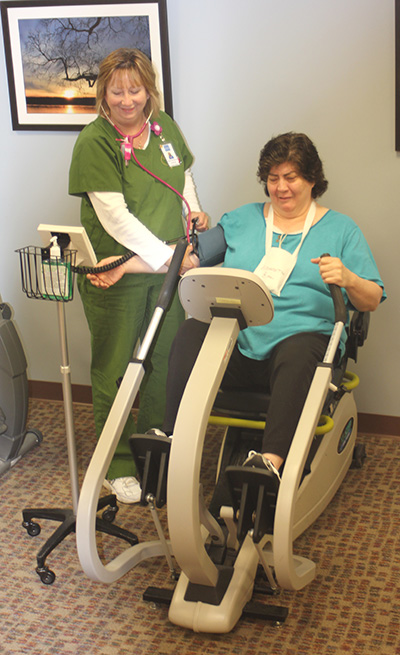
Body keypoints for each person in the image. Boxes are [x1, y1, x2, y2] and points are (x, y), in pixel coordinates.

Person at [88, 132, 386, 490]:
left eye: (291, 177)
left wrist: (349, 278)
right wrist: (123, 265)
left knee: (299, 349)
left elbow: (371, 299)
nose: (281, 187)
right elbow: (186, 259)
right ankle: (169, 438)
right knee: (193, 329)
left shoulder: (341, 229)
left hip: (301, 352)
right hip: (238, 349)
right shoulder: (241, 220)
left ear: (312, 179)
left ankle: (269, 463)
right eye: (273, 178)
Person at [69, 48, 208, 503]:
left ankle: (154, 451)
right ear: (103, 94)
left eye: (136, 89)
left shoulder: (163, 127)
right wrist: (171, 257)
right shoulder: (95, 142)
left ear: (149, 89)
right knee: (115, 369)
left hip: (166, 270)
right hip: (118, 275)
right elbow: (116, 219)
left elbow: (181, 175)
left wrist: (192, 213)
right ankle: (117, 464)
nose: (128, 100)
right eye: (117, 91)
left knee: (164, 361)